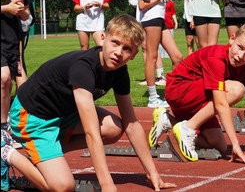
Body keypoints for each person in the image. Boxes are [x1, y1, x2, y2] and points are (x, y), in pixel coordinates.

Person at [1, 15, 177, 191]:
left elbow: (131, 123)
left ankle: (48, 155)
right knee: (62, 186)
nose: (118, 52)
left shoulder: (119, 71)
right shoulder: (83, 67)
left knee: (113, 127)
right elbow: (91, 132)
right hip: (32, 116)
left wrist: (153, 173)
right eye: (115, 43)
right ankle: (7, 151)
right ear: (102, 39)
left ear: (134, 54)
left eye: (127, 49)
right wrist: (107, 185)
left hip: (62, 113)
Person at [148, 23, 245, 162]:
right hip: (178, 91)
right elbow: (221, 104)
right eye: (240, 47)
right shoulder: (216, 58)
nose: (241, 56)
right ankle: (187, 129)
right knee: (236, 89)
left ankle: (169, 121)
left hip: (199, 99)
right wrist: (235, 144)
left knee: (218, 144)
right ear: (232, 39)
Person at [137, 0, 182, 108]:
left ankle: (173, 93)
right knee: (152, 57)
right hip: (151, 19)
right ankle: (152, 97)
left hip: (159, 18)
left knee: (177, 57)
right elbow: (142, 5)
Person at [1, 0, 32, 135]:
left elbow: (27, 14)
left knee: (12, 81)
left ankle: (8, 122)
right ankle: (3, 126)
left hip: (13, 40)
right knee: (3, 78)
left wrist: (21, 12)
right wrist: (6, 9)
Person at [127, 0, 167, 86]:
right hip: (144, 15)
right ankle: (151, 83)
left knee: (152, 51)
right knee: (147, 49)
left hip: (153, 15)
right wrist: (136, 2)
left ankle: (160, 76)